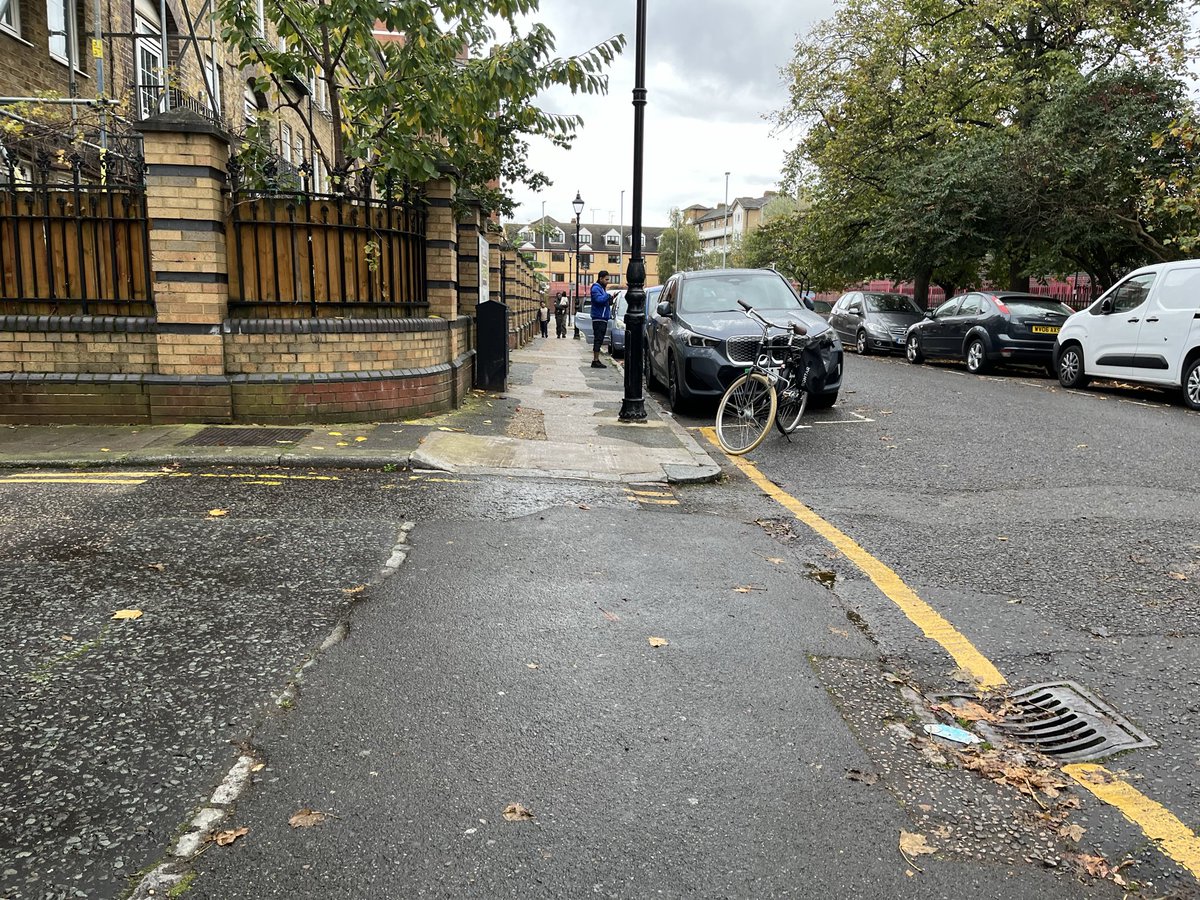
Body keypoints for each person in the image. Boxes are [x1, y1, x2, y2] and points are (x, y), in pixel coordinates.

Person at [589, 271, 614, 368]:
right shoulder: (596, 288)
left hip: (602, 317)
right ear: (600, 278)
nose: (608, 281)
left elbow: (604, 302)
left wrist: (610, 299)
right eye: (606, 279)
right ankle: (595, 360)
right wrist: (607, 296)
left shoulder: (602, 289)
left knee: (600, 339)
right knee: (598, 339)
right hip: (599, 318)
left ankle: (596, 359)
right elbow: (598, 300)